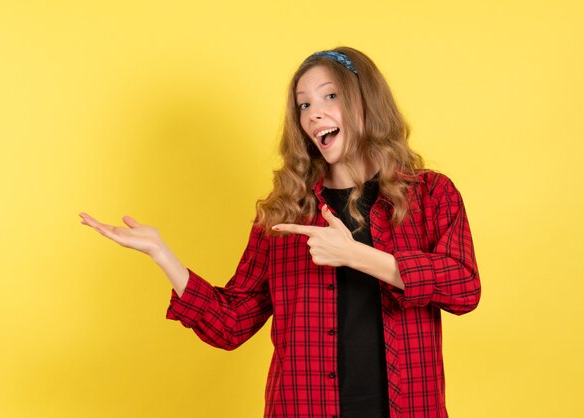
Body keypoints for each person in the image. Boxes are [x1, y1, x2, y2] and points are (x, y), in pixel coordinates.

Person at [80, 46, 481, 418]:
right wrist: (162, 255)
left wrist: (356, 254)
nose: (312, 114)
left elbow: (464, 288)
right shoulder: (286, 213)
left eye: (329, 96)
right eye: (303, 105)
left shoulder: (430, 195)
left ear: (367, 100)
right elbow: (232, 323)